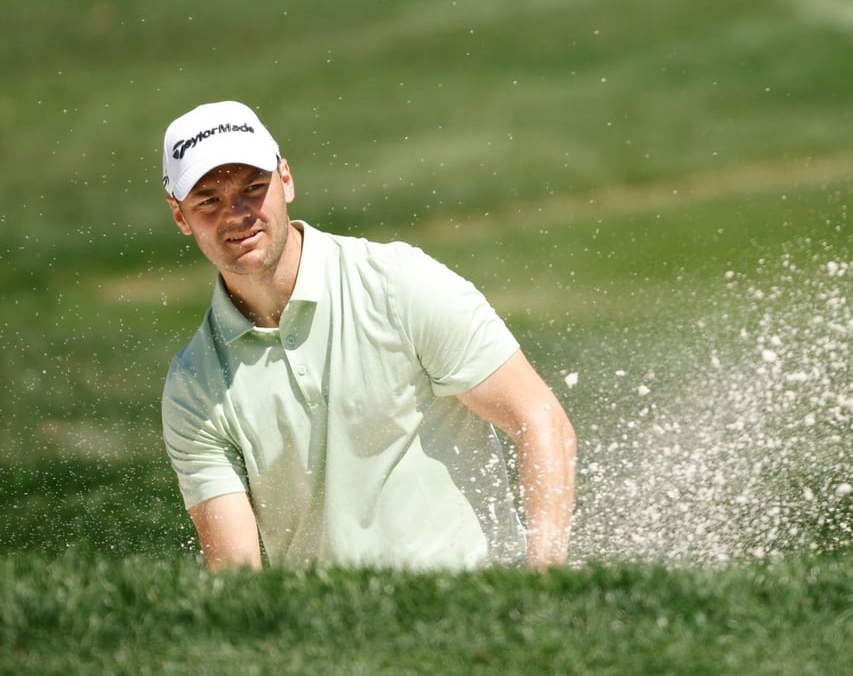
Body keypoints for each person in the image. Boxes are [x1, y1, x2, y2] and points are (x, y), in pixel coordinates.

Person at [159, 100, 576, 572]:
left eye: (254, 188)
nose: (237, 213)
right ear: (180, 216)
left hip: (476, 604)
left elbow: (540, 420)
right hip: (333, 636)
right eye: (209, 201)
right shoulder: (194, 386)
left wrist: (544, 580)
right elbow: (237, 574)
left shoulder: (398, 284)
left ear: (286, 179)